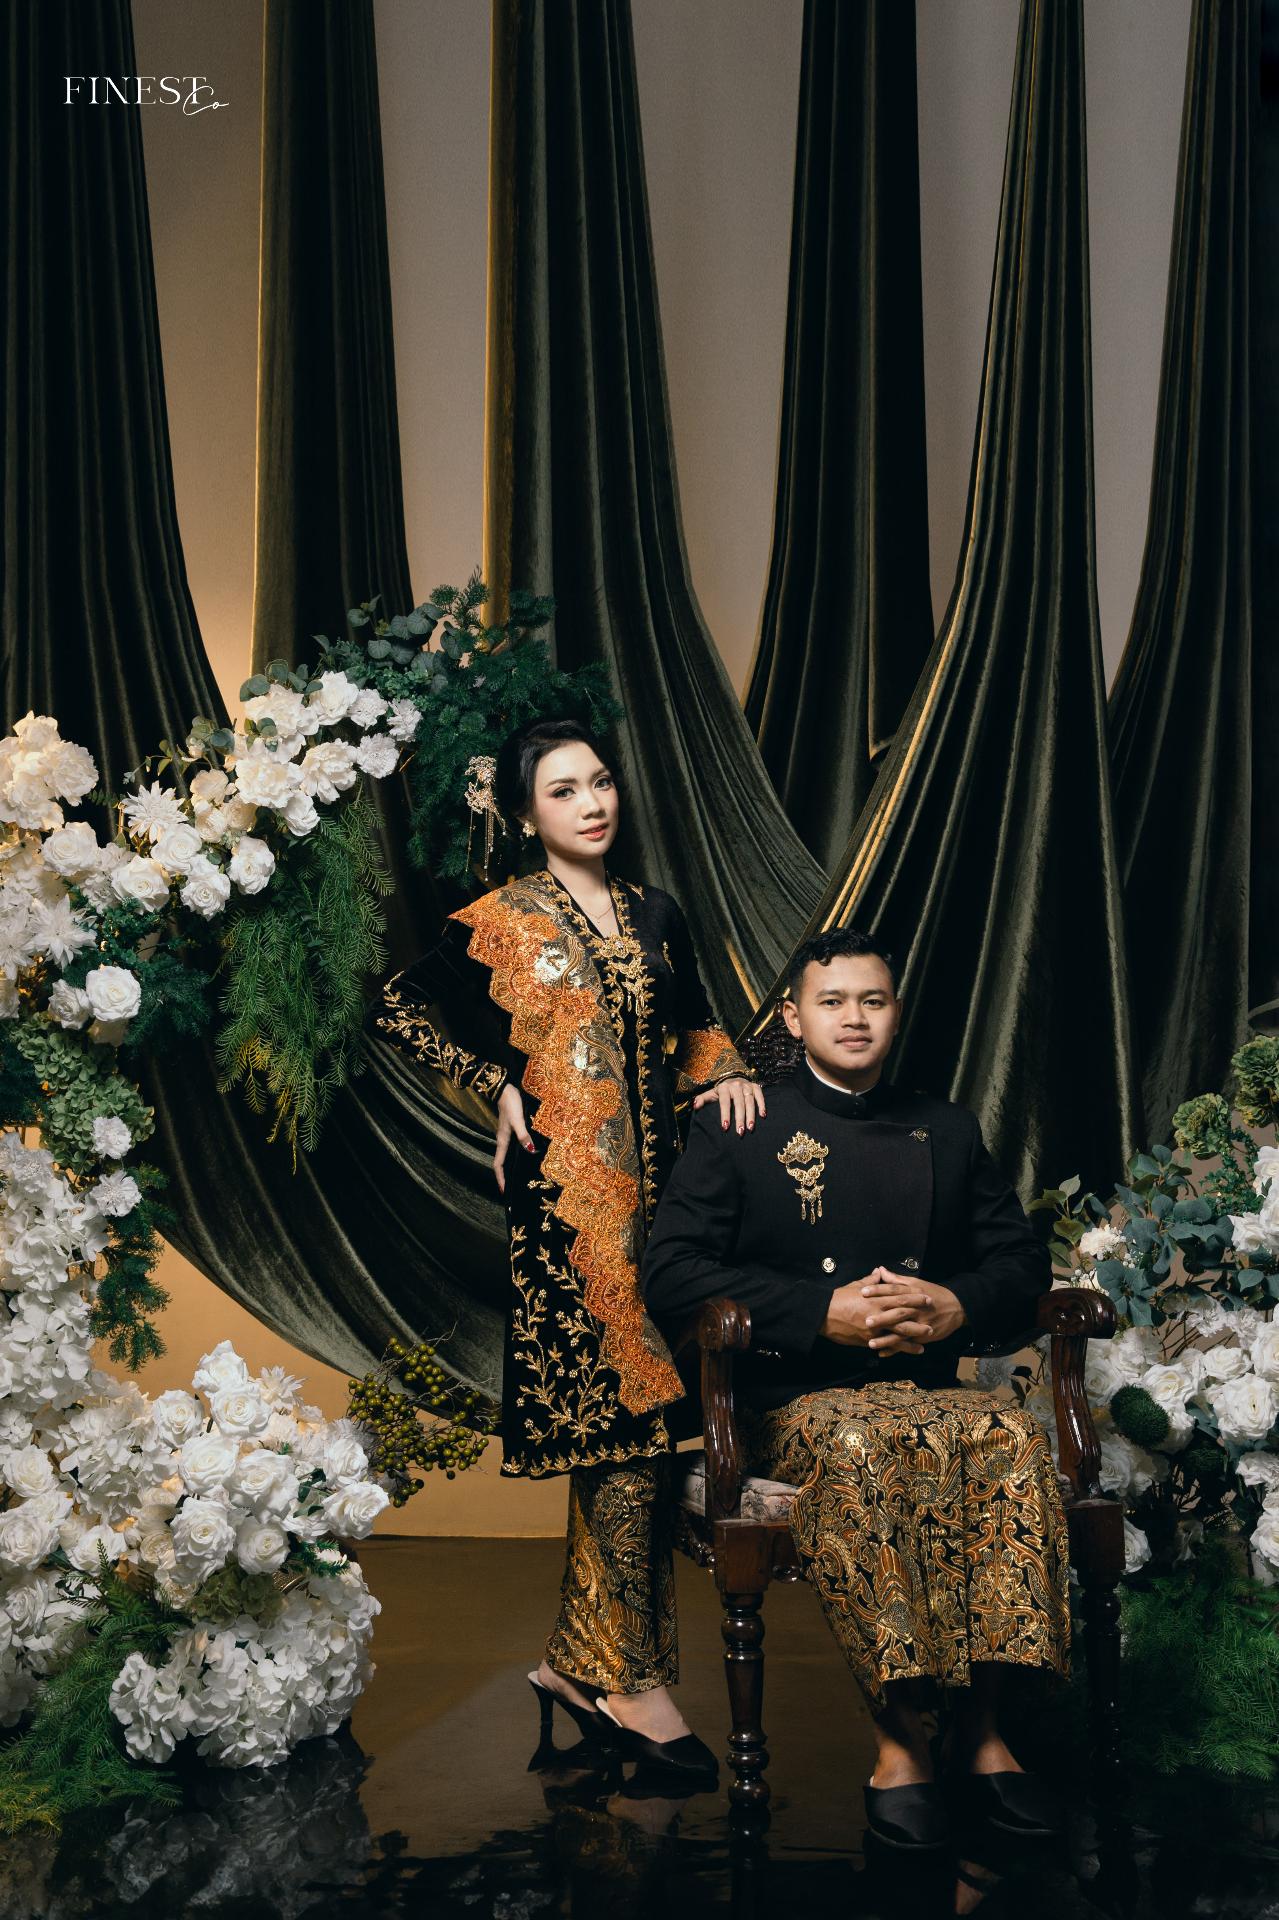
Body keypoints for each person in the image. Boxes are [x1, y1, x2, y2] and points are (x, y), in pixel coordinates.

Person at [369, 716, 762, 1785]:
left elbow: (693, 1025)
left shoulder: (654, 912)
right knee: (620, 1440)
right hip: (567, 1220)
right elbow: (400, 1007)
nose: (592, 803)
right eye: (563, 790)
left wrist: (723, 1073)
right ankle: (628, 1684)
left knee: (646, 1445)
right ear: (523, 813)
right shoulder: (499, 919)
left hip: (666, 1218)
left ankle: (577, 1668)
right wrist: (494, 1081)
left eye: (600, 782)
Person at [642, 927, 1070, 1849]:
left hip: (926, 1388)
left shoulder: (945, 1127)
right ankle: (900, 1739)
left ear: (895, 1013)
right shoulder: (738, 1121)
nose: (853, 1018)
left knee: (1011, 1434)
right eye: (831, 1002)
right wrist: (816, 1311)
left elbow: (1019, 1263)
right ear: (794, 1019)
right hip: (793, 1400)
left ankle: (983, 1732)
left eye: (871, 1001)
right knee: (864, 1443)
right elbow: (671, 1271)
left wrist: (955, 1304)